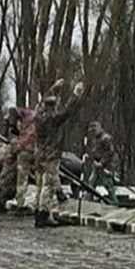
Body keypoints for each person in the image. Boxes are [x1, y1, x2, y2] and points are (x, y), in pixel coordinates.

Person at [18, 78, 87, 227]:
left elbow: (42, 102)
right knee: (48, 185)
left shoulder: (38, 116)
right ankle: (43, 215)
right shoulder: (52, 119)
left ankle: (39, 211)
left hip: (39, 154)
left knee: (40, 183)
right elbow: (67, 111)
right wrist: (75, 94)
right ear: (53, 106)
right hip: (50, 155)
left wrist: (54, 88)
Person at [81, 121, 121, 205]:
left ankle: (114, 203)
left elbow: (109, 153)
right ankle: (88, 201)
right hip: (97, 165)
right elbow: (95, 151)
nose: (93, 132)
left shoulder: (106, 138)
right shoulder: (95, 139)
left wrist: (102, 163)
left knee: (108, 184)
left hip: (106, 166)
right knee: (91, 183)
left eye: (94, 130)